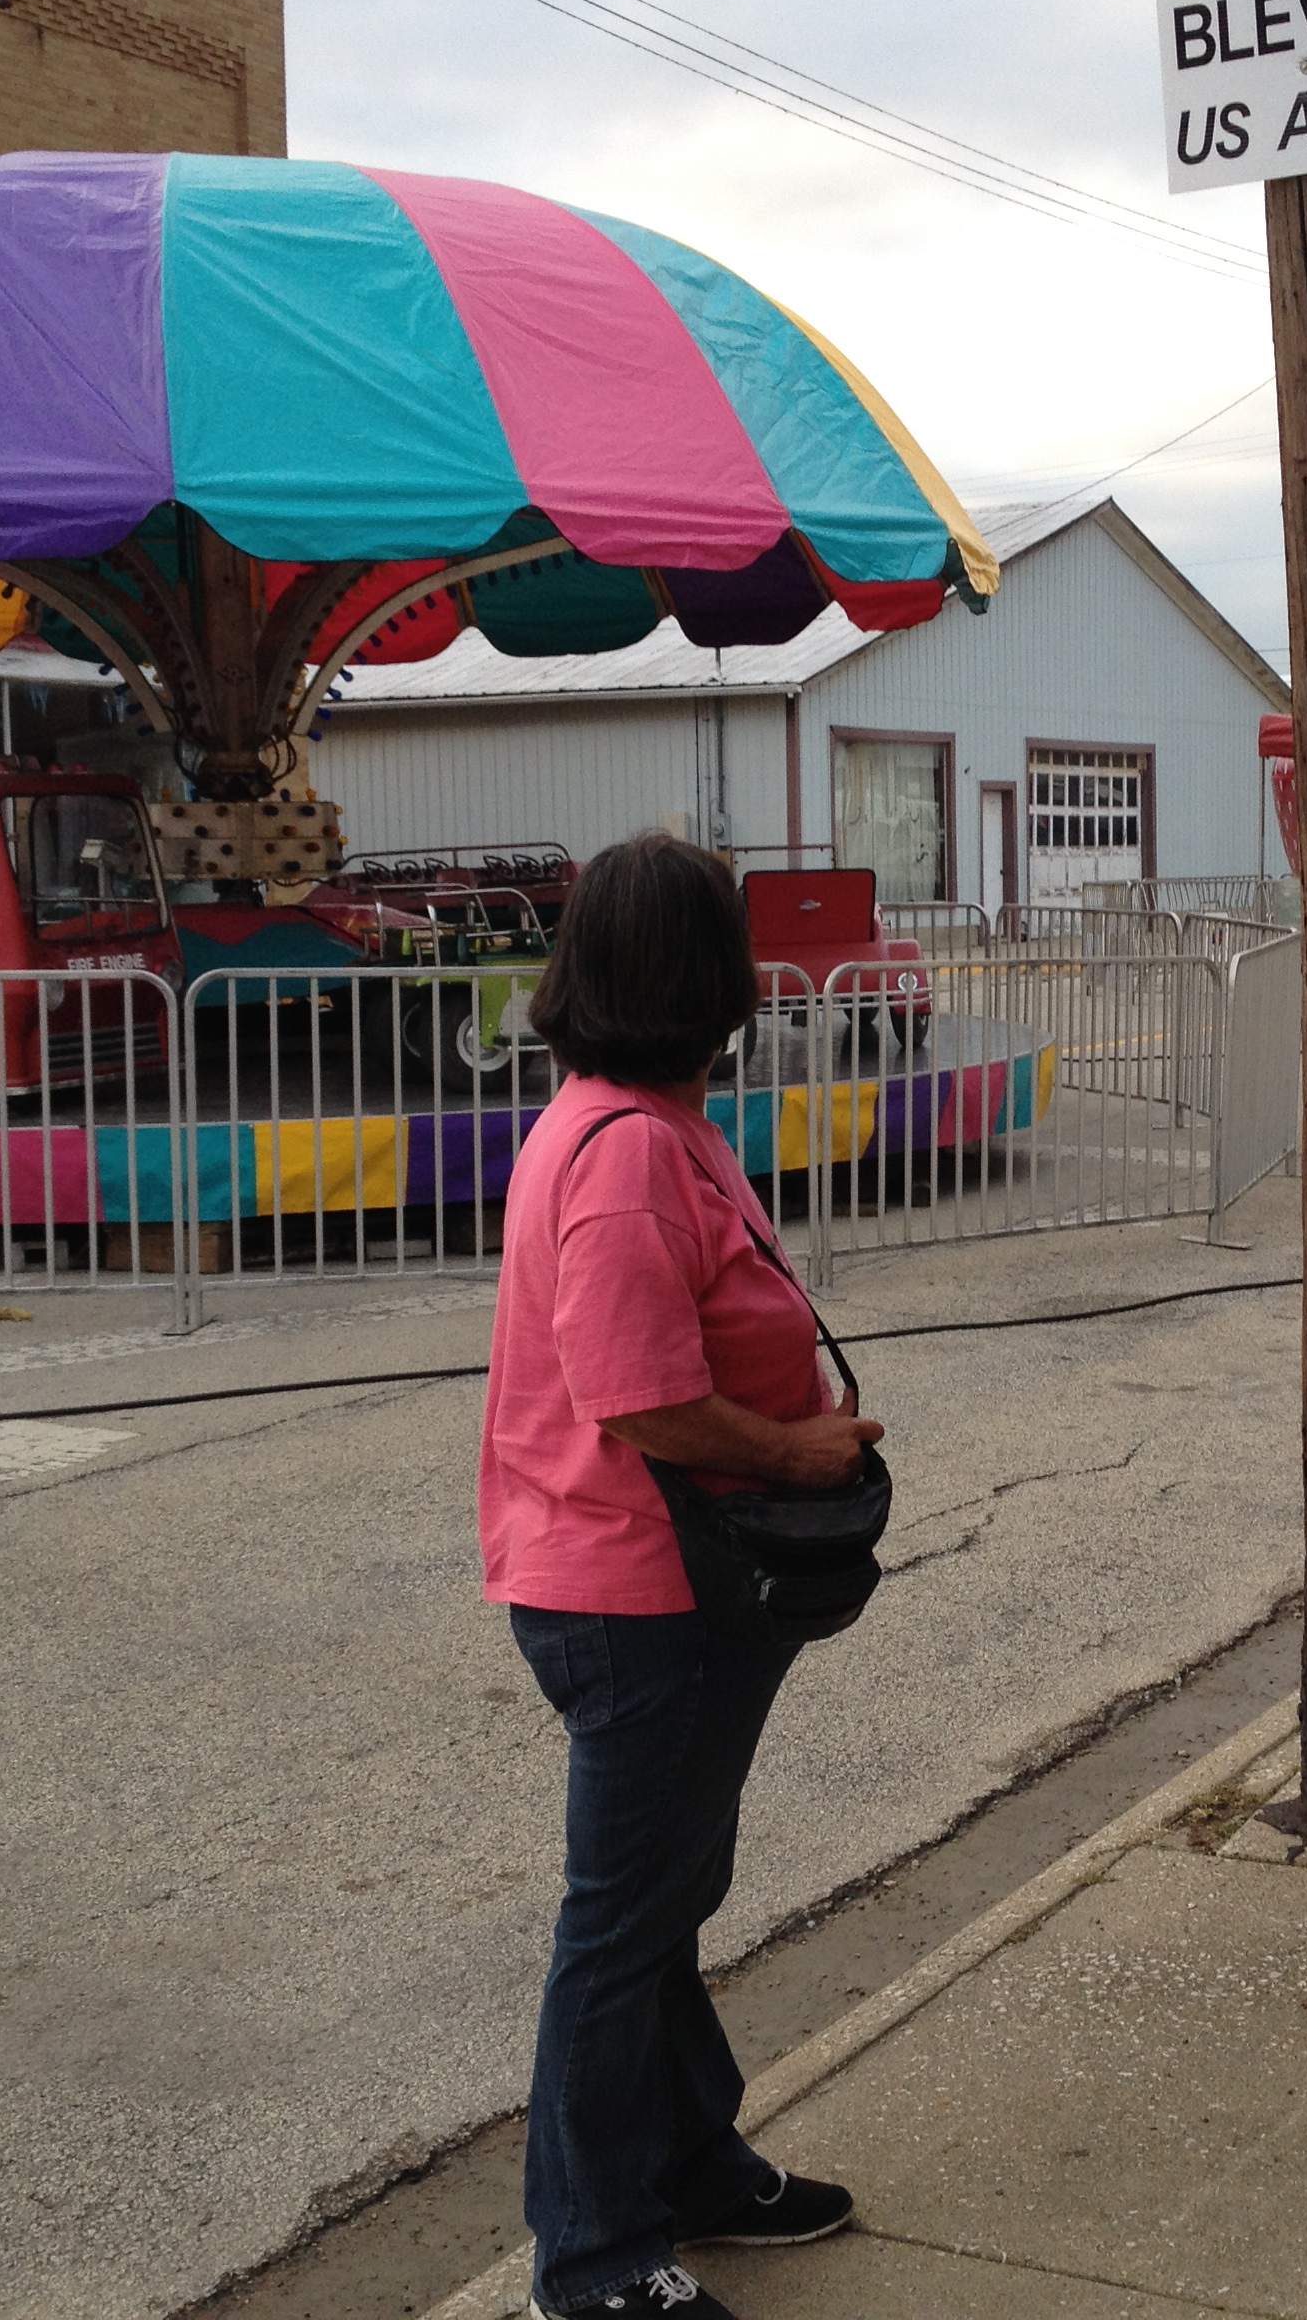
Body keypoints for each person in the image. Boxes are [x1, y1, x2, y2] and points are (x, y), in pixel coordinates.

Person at [479, 833, 883, 2320]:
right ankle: (589, 2257)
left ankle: (693, 2162)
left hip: (657, 1584)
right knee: (622, 1923)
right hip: (639, 1590)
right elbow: (639, 1398)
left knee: (667, 1895)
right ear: (704, 972)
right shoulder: (630, 1154)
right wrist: (803, 1457)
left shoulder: (642, 1117)